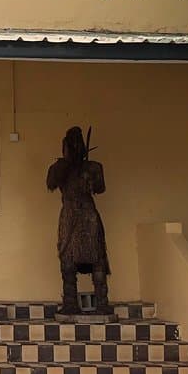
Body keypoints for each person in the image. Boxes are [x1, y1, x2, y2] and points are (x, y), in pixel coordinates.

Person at [46, 126, 110, 315]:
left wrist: (88, 178)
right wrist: (69, 166)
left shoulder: (93, 167)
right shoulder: (59, 168)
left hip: (88, 215)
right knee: (68, 259)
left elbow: (100, 188)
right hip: (70, 216)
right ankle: (70, 302)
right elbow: (51, 183)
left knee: (96, 258)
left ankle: (102, 303)